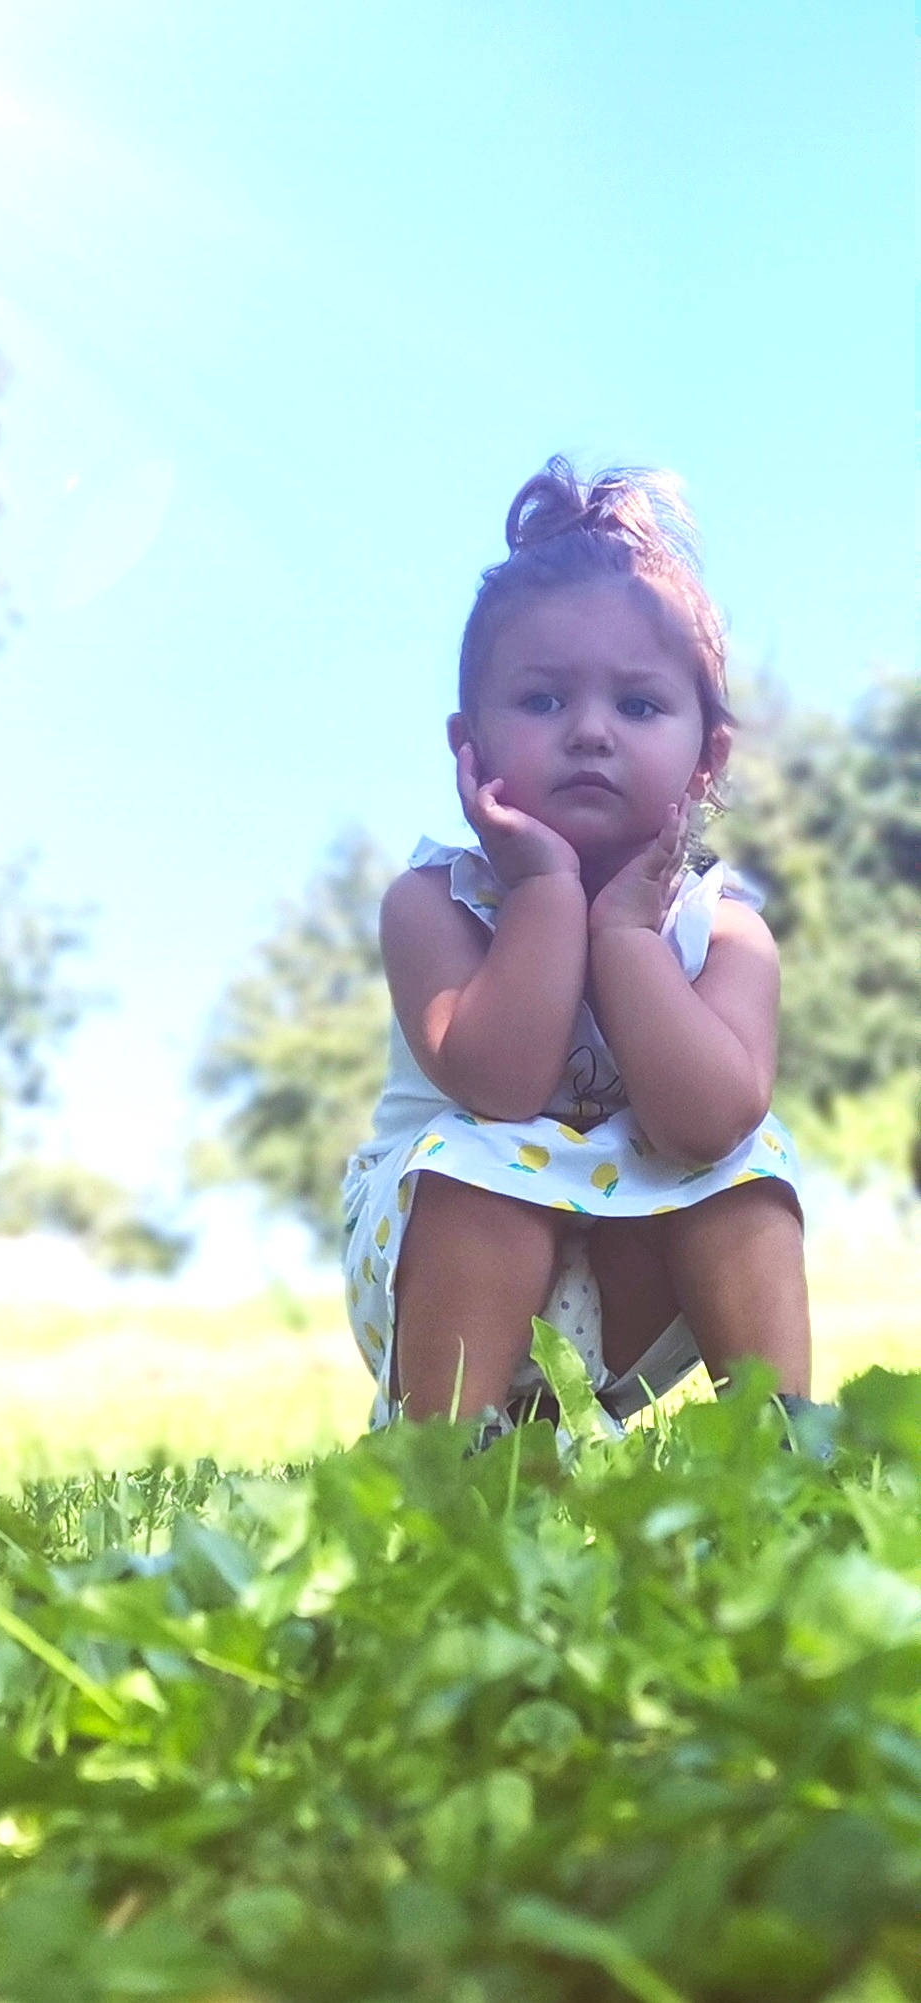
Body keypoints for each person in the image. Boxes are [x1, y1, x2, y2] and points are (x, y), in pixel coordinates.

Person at [342, 456, 812, 1441]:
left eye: (637, 706)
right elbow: (500, 1083)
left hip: (633, 1274)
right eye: (544, 702)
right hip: (455, 1281)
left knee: (748, 1170)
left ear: (706, 755)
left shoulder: (724, 930)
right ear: (468, 743)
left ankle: (778, 1441)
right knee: (477, 1165)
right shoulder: (434, 904)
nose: (590, 731)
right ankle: (445, 1452)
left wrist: (627, 934)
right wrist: (551, 890)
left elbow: (712, 1121)